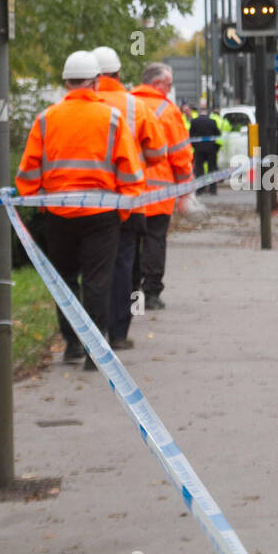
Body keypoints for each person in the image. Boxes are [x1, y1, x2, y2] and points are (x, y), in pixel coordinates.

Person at [16, 49, 143, 368]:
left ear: (66, 83)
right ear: (96, 83)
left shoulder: (47, 118)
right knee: (98, 281)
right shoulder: (111, 118)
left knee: (65, 279)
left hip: (58, 213)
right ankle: (94, 350)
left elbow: (28, 171)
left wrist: (38, 203)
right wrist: (123, 210)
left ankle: (72, 343)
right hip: (102, 215)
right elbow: (130, 170)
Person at [92, 45, 167, 348]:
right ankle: (119, 332)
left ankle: (87, 334)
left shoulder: (75, 105)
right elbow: (159, 152)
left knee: (92, 267)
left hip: (87, 200)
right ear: (119, 74)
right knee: (124, 263)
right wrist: (138, 162)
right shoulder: (135, 106)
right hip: (128, 198)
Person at [128, 63, 194, 310]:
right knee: (155, 241)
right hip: (160, 192)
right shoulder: (168, 111)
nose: (170, 89)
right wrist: (185, 188)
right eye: (168, 84)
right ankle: (152, 293)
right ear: (157, 84)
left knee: (131, 244)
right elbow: (180, 153)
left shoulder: (126, 106)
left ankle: (130, 292)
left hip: (129, 191)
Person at [189, 107, 220, 192]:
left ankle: (200, 189)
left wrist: (195, 146)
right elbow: (218, 134)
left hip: (199, 149)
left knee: (199, 170)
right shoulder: (212, 122)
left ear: (199, 112)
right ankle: (212, 189)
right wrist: (215, 147)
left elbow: (190, 135)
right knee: (212, 169)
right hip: (211, 149)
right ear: (207, 113)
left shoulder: (195, 122)